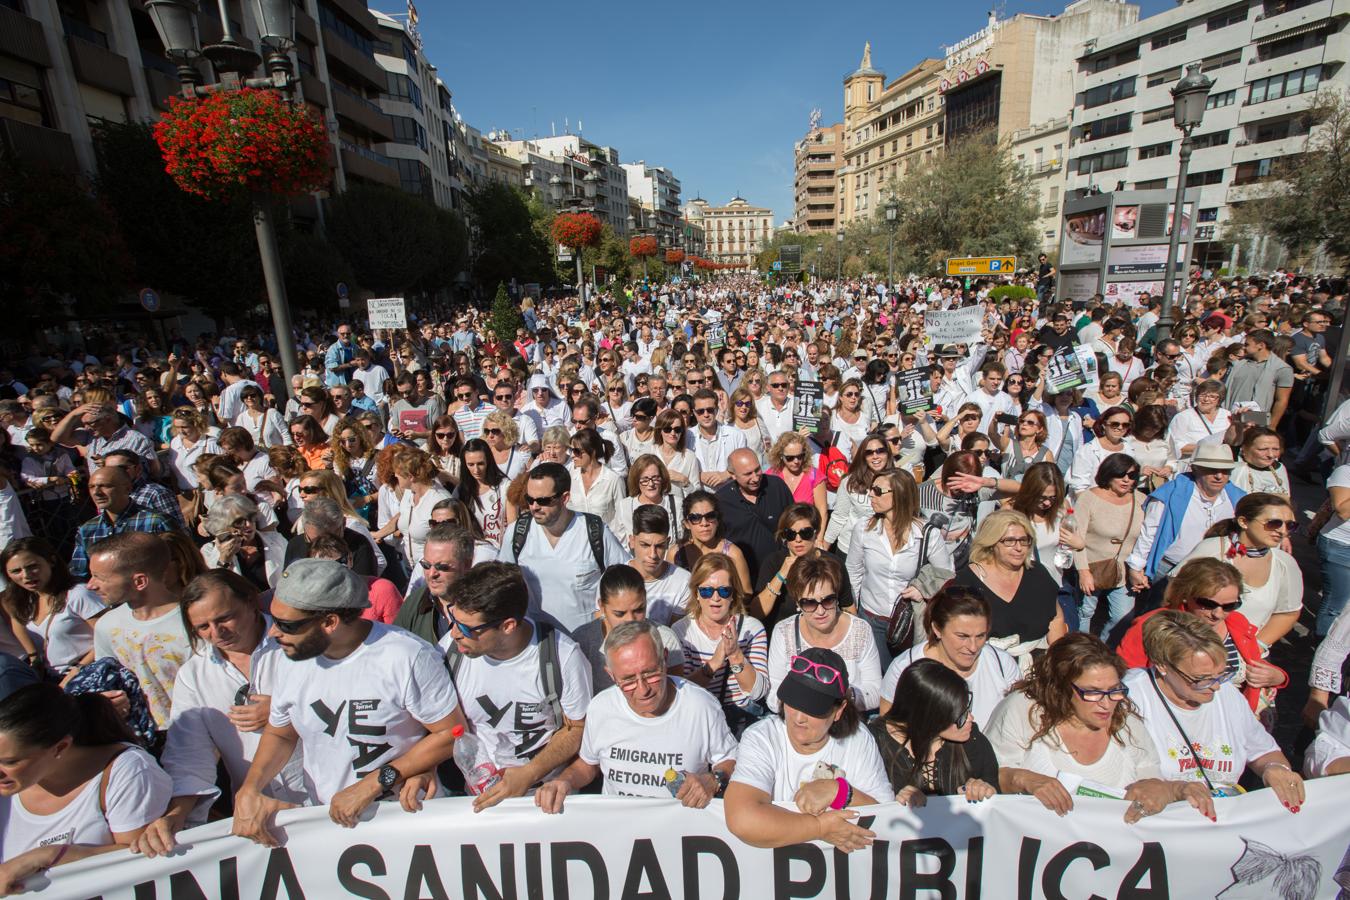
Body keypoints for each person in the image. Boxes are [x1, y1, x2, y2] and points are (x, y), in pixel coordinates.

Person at [233, 559, 464, 845]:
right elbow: (281, 732)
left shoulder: (406, 656)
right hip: (328, 823)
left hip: (403, 823)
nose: (273, 633)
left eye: (286, 625)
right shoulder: (288, 659)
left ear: (330, 622)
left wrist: (374, 783)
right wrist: (251, 788)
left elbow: (451, 733)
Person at [135, 571, 308, 856]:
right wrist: (175, 815)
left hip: (329, 802)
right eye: (203, 627)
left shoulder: (301, 642)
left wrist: (285, 710)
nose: (216, 634)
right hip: (263, 821)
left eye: (225, 618)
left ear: (250, 601)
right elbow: (189, 757)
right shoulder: (194, 675)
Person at [986, 633, 1213, 823]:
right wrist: (1024, 779)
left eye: (1114, 690)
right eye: (1092, 692)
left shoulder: (1127, 724)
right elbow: (986, 775)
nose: (1107, 704)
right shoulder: (1024, 711)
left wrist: (1166, 789)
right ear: (1061, 687)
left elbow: (1151, 781)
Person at [536, 620, 736, 810]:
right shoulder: (600, 708)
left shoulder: (701, 706)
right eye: (628, 680)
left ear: (665, 659)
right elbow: (588, 764)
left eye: (650, 674)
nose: (643, 690)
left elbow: (732, 760)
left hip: (680, 829)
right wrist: (564, 781)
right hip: (619, 829)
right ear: (611, 675)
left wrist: (713, 780)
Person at [441, 562, 591, 812]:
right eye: (452, 618)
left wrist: (530, 773)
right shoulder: (450, 651)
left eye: (467, 628)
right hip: (478, 799)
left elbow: (578, 727)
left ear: (508, 626)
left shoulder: (561, 656)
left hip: (544, 801)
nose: (455, 633)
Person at [1123, 611, 1303, 809]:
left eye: (1221, 674)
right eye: (1201, 679)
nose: (1216, 686)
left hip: (1222, 813)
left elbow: (1264, 751)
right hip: (1164, 816)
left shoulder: (1226, 692)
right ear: (1162, 666)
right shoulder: (1130, 697)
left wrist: (1274, 768)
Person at [0, 685, 172, 890]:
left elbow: (145, 862)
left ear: (60, 747)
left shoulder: (127, 770)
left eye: (10, 762)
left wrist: (50, 855)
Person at [723, 646, 890, 853]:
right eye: (793, 703)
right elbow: (741, 819)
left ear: (839, 711)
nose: (799, 718)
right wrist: (820, 828)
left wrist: (839, 792)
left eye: (813, 709)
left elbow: (886, 817)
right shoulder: (762, 737)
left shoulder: (858, 738)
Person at [1117, 558, 1289, 712]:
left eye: (1229, 606)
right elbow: (1127, 676)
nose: (1218, 614)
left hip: (1232, 716)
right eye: (1207, 603)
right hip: (1174, 715)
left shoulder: (1237, 623)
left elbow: (1255, 663)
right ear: (1186, 595)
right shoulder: (1153, 625)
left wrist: (1278, 677)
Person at [497, 462, 629, 633]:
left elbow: (625, 577)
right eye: (529, 499)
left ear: (564, 498)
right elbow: (501, 585)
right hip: (541, 641)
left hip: (588, 640)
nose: (534, 507)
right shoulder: (517, 533)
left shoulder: (594, 531)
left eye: (543, 501)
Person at [89, 533, 191, 748]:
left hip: (198, 734)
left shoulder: (193, 621)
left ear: (140, 581)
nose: (91, 585)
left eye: (101, 578)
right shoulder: (107, 625)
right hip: (142, 738)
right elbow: (107, 678)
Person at [847, 469, 954, 665]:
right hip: (871, 618)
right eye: (871, 489)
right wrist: (852, 613)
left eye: (878, 490)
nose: (870, 494)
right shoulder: (863, 529)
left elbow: (947, 576)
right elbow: (853, 571)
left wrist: (923, 590)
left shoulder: (927, 534)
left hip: (911, 622)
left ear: (899, 495)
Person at [879, 584, 1018, 727]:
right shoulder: (904, 667)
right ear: (937, 629)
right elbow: (889, 730)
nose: (973, 647)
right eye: (962, 636)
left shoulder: (1002, 663)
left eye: (980, 636)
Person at [868, 658, 998, 806]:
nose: (970, 718)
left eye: (967, 708)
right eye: (959, 716)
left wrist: (985, 791)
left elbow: (997, 802)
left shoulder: (971, 739)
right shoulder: (873, 744)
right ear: (929, 719)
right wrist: (893, 802)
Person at [1125, 444, 1246, 600]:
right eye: (1211, 470)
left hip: (1216, 573)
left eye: (1225, 471)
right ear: (1195, 469)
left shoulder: (1238, 498)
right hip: (1170, 570)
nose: (1219, 476)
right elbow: (1149, 531)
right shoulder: (1170, 494)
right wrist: (1136, 567)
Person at [1182, 492, 1302, 647]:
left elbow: (1288, 612)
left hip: (1246, 654)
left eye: (1290, 525)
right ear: (1244, 522)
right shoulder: (1212, 550)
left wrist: (1257, 646)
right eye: (1274, 523)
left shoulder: (1285, 563)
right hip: (1194, 646)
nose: (1283, 531)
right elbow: (1176, 595)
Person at [766, 553, 881, 712]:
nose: (820, 611)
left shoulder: (860, 631)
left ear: (837, 597)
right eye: (809, 603)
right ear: (798, 603)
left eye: (828, 600)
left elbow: (875, 691)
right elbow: (774, 697)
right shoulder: (784, 632)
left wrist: (842, 696)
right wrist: (812, 699)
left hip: (846, 718)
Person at [952, 509, 1066, 669]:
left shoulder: (1038, 573)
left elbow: (1056, 618)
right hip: (985, 666)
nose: (1018, 548)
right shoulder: (966, 582)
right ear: (991, 543)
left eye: (1024, 540)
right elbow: (955, 633)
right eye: (1009, 541)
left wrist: (1057, 662)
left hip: (1038, 667)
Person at [673, 552, 770, 735]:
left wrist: (735, 655)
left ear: (733, 595)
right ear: (696, 593)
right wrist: (714, 663)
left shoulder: (751, 629)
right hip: (699, 718)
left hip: (741, 720)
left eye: (724, 591)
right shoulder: (682, 631)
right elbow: (680, 692)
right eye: (707, 591)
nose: (715, 598)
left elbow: (757, 692)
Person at [0, 537, 105, 679]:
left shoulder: (78, 594)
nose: (26, 575)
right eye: (16, 571)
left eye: (32, 566)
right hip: (52, 677)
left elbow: (108, 637)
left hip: (89, 674)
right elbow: (17, 622)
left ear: (51, 561)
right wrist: (34, 657)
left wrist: (78, 670)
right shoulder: (26, 601)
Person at [571, 565, 686, 693]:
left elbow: (675, 692)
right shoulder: (582, 641)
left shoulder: (665, 639)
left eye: (639, 610)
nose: (630, 620)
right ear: (602, 607)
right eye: (620, 614)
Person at [1073, 453, 1145, 640]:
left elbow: (1147, 538)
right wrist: (1083, 572)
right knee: (1085, 612)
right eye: (1121, 474)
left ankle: (1104, 649)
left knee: (1123, 617)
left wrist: (1140, 568)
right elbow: (1076, 537)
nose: (1126, 480)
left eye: (1132, 476)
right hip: (1092, 566)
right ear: (1108, 473)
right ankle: (1081, 649)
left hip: (1124, 569)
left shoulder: (1141, 500)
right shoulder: (1089, 498)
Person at [69, 466, 175, 581]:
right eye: (91, 487)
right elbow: (79, 574)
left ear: (127, 488)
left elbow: (178, 564)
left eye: (105, 486)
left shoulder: (156, 522)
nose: (96, 492)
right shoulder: (87, 529)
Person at [717, 448, 794, 578]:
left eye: (757, 470)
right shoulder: (721, 501)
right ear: (732, 475)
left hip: (783, 570)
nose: (755, 478)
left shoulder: (776, 486)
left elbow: (795, 520)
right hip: (746, 576)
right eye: (748, 474)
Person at [201, 495, 288, 593]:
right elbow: (213, 588)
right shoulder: (208, 550)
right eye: (239, 522)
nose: (248, 524)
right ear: (223, 525)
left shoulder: (276, 539)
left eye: (251, 517)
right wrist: (224, 559)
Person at [823, 433, 893, 555]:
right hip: (849, 548)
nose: (875, 456)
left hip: (883, 551)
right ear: (863, 457)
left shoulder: (898, 481)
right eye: (869, 453)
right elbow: (839, 516)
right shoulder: (850, 482)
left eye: (880, 451)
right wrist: (824, 547)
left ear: (888, 453)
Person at [671, 490, 752, 594]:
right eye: (695, 518)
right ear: (687, 523)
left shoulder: (733, 554)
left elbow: (746, 594)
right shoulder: (676, 553)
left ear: (718, 520)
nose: (704, 523)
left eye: (710, 516)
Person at [765, 432, 828, 531]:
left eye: (800, 456)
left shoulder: (814, 476)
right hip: (779, 533)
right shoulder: (771, 475)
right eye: (790, 458)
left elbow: (822, 512)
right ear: (780, 455)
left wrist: (819, 537)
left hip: (806, 534)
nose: (796, 461)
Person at [566, 427, 625, 531]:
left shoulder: (614, 480)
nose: (572, 455)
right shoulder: (570, 477)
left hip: (605, 538)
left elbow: (621, 519)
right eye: (571, 450)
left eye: (576, 451)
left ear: (592, 452)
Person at [1167, 380, 1232, 463]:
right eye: (1202, 395)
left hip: (1221, 463)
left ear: (1220, 399)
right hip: (1192, 464)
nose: (1206, 399)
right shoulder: (1183, 417)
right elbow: (1173, 446)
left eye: (1212, 396)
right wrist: (1206, 448)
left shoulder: (1227, 415)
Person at [1229, 427, 1291, 499]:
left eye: (1275, 449)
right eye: (1263, 449)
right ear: (1244, 448)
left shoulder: (1279, 468)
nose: (1271, 455)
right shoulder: (1235, 468)